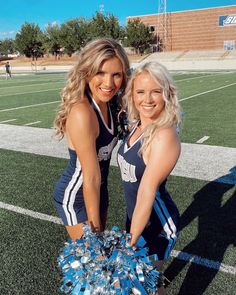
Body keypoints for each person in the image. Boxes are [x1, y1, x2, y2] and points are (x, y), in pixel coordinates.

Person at [53, 38, 130, 241]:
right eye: (100, 73)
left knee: (100, 260)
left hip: (100, 190)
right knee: (91, 261)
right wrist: (94, 234)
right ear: (86, 72)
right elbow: (91, 177)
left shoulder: (112, 104)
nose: (109, 83)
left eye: (116, 75)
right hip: (77, 195)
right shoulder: (82, 113)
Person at [117, 61, 181, 294]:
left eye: (156, 91)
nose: (148, 99)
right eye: (141, 92)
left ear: (166, 94)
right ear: (132, 95)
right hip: (136, 217)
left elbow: (146, 191)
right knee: (146, 282)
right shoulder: (136, 126)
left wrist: (129, 244)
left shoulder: (164, 134)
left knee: (146, 284)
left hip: (157, 222)